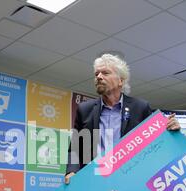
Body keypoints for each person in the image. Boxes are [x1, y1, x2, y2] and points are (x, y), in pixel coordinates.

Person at [65, 53, 180, 184]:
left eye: (105, 73)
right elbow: (74, 148)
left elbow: (156, 143)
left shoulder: (140, 107)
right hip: (93, 180)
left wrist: (171, 130)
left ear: (121, 80)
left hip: (130, 179)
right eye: (96, 74)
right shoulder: (84, 110)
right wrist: (71, 171)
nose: (99, 77)